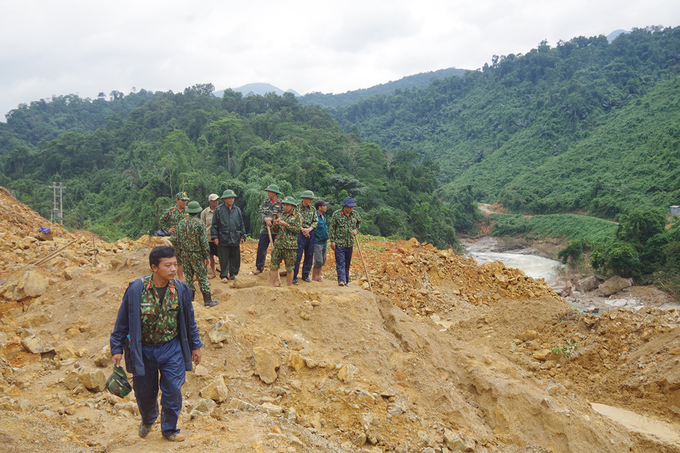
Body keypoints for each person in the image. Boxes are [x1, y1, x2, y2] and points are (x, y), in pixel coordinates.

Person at [110, 246, 203, 443]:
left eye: (175, 264)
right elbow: (122, 321)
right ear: (154, 267)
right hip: (143, 350)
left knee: (173, 390)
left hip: (171, 348)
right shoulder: (136, 289)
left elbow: (189, 320)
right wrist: (116, 348)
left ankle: (169, 429)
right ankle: (148, 418)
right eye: (167, 265)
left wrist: (196, 346)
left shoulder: (180, 289)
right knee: (144, 393)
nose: (173, 269)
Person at [175, 201, 218, 307]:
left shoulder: (181, 223)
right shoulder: (199, 223)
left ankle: (190, 301)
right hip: (197, 255)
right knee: (202, 277)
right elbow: (203, 241)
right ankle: (207, 300)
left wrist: (180, 253)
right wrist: (206, 255)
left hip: (185, 254)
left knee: (189, 277)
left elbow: (177, 240)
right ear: (197, 212)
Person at [211, 189, 246, 283]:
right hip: (223, 237)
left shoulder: (237, 210)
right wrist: (215, 237)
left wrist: (242, 236)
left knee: (235, 257)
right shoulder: (219, 210)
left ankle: (233, 274)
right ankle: (224, 275)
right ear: (224, 199)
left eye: (232, 198)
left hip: (235, 237)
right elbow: (214, 225)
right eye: (229, 198)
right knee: (224, 257)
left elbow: (241, 224)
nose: (231, 200)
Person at [270, 196, 302, 286]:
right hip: (278, 245)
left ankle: (288, 287)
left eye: (288, 205)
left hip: (290, 246)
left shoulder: (297, 216)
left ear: (292, 206)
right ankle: (271, 286)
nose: (285, 207)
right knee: (274, 265)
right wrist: (275, 225)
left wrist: (286, 225)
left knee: (289, 267)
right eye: (284, 205)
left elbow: (297, 230)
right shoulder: (281, 215)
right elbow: (275, 231)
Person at [329, 197, 361, 287]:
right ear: (344, 206)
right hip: (339, 243)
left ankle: (346, 281)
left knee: (347, 263)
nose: (351, 209)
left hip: (349, 243)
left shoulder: (355, 214)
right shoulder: (337, 214)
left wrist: (356, 229)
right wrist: (332, 241)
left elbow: (359, 223)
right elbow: (332, 228)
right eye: (349, 207)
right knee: (340, 262)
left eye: (352, 207)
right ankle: (341, 280)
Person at [159, 192, 189, 282]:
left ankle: (190, 278)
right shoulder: (171, 211)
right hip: (176, 239)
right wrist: (168, 229)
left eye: (186, 200)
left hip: (188, 239)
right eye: (182, 200)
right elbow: (162, 221)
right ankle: (181, 278)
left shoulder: (188, 211)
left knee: (188, 258)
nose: (184, 202)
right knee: (178, 259)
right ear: (177, 200)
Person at [254, 184, 283, 274]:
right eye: (267, 191)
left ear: (275, 192)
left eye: (270, 191)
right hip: (264, 230)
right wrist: (265, 219)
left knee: (277, 249)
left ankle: (274, 267)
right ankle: (259, 267)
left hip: (277, 230)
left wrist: (272, 219)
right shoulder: (265, 201)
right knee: (261, 248)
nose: (268, 193)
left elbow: (283, 215)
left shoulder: (281, 203)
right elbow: (260, 212)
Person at [292, 190, 318, 284]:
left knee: (309, 254)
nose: (311, 201)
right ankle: (294, 276)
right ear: (303, 198)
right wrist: (302, 229)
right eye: (309, 199)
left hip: (310, 233)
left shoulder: (313, 209)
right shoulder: (296, 208)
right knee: (297, 255)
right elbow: (293, 220)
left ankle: (305, 275)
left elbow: (315, 221)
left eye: (311, 199)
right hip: (299, 233)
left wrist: (309, 229)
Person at [200, 194, 220, 279]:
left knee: (222, 255)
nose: (216, 202)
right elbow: (202, 225)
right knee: (211, 255)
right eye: (214, 200)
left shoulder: (221, 210)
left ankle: (224, 271)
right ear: (210, 201)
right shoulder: (205, 212)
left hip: (219, 237)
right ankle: (213, 272)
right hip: (208, 237)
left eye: (217, 200)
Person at [312, 199, 330, 282]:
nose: (325, 207)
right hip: (317, 241)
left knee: (323, 259)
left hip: (324, 241)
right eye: (324, 206)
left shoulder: (324, 216)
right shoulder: (315, 216)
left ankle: (318, 276)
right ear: (319, 207)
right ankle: (314, 276)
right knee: (318, 260)